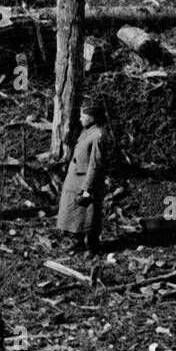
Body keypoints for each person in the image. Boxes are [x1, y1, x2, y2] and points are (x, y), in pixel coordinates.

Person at [55, 99, 112, 255]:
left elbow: (95, 165)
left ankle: (92, 247)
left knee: (88, 215)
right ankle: (78, 242)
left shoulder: (98, 136)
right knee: (74, 214)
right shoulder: (87, 131)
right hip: (75, 180)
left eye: (83, 115)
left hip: (85, 181)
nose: (80, 118)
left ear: (92, 117)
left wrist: (86, 188)